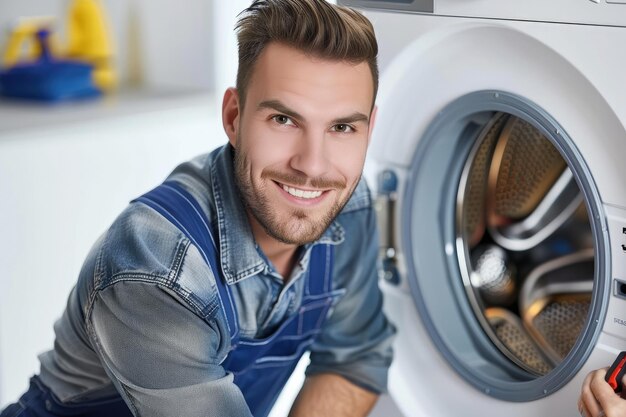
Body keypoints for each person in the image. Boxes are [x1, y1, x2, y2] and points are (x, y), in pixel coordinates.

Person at [0, 0, 395, 416]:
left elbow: (354, 359)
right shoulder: (155, 268)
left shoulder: (347, 207)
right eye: (283, 120)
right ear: (233, 116)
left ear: (369, 129)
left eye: (342, 127)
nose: (313, 166)